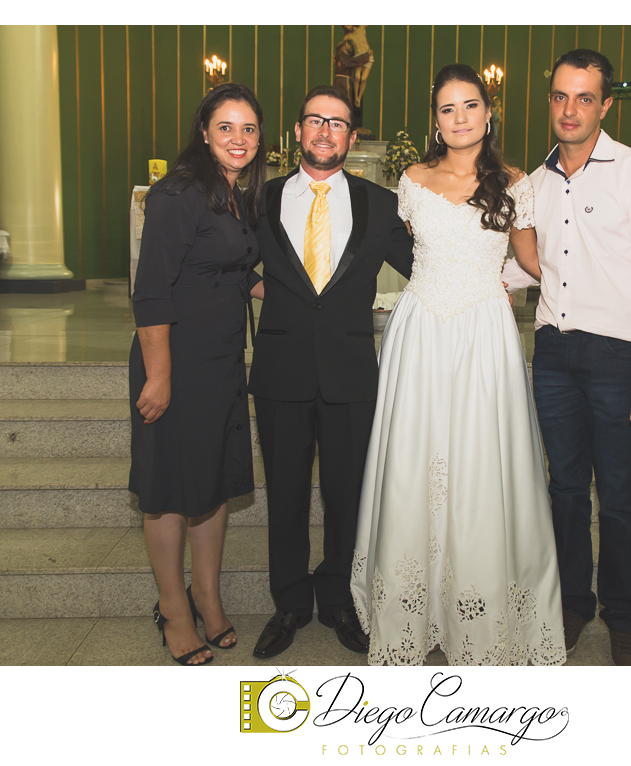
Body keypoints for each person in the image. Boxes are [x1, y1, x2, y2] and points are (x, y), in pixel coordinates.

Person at [350, 63, 567, 667]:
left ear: (488, 112)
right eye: (447, 109)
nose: (460, 118)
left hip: (483, 331)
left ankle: (477, 609)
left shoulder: (515, 181)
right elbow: (381, 247)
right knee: (416, 462)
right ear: (435, 119)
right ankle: (412, 610)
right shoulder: (413, 179)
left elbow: (534, 257)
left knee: (478, 461)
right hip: (420, 329)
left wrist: (512, 285)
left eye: (470, 105)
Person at [501, 49, 631, 665]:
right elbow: (526, 268)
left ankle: (625, 617)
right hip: (553, 353)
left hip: (617, 356)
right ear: (549, 101)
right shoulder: (531, 185)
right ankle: (573, 603)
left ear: (606, 105)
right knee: (566, 491)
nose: (570, 109)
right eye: (560, 96)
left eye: (584, 98)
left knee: (622, 496)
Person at [248, 85, 414, 659]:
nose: (325, 131)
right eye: (315, 121)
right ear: (297, 131)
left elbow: (429, 266)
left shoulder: (381, 203)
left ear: (353, 136)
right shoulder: (260, 198)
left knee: (348, 496)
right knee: (286, 495)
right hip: (279, 370)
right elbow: (225, 259)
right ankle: (290, 602)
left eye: (338, 123)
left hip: (350, 374)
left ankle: (342, 601)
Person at [129, 83, 266, 665]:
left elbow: (236, 272)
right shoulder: (177, 194)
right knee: (167, 491)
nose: (239, 139)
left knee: (210, 486)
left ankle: (207, 595)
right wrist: (158, 378)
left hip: (220, 362)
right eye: (227, 127)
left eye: (250, 129)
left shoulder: (236, 196)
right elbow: (152, 292)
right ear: (204, 131)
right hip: (175, 362)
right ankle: (173, 608)